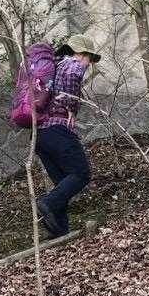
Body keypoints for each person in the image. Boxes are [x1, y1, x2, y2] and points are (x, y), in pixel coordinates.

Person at [35, 33, 100, 238]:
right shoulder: (72, 63)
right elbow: (74, 73)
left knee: (62, 181)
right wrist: (71, 106)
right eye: (90, 58)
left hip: (41, 134)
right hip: (58, 130)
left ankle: (59, 230)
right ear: (81, 53)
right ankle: (47, 203)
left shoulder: (54, 65)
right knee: (81, 174)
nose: (89, 64)